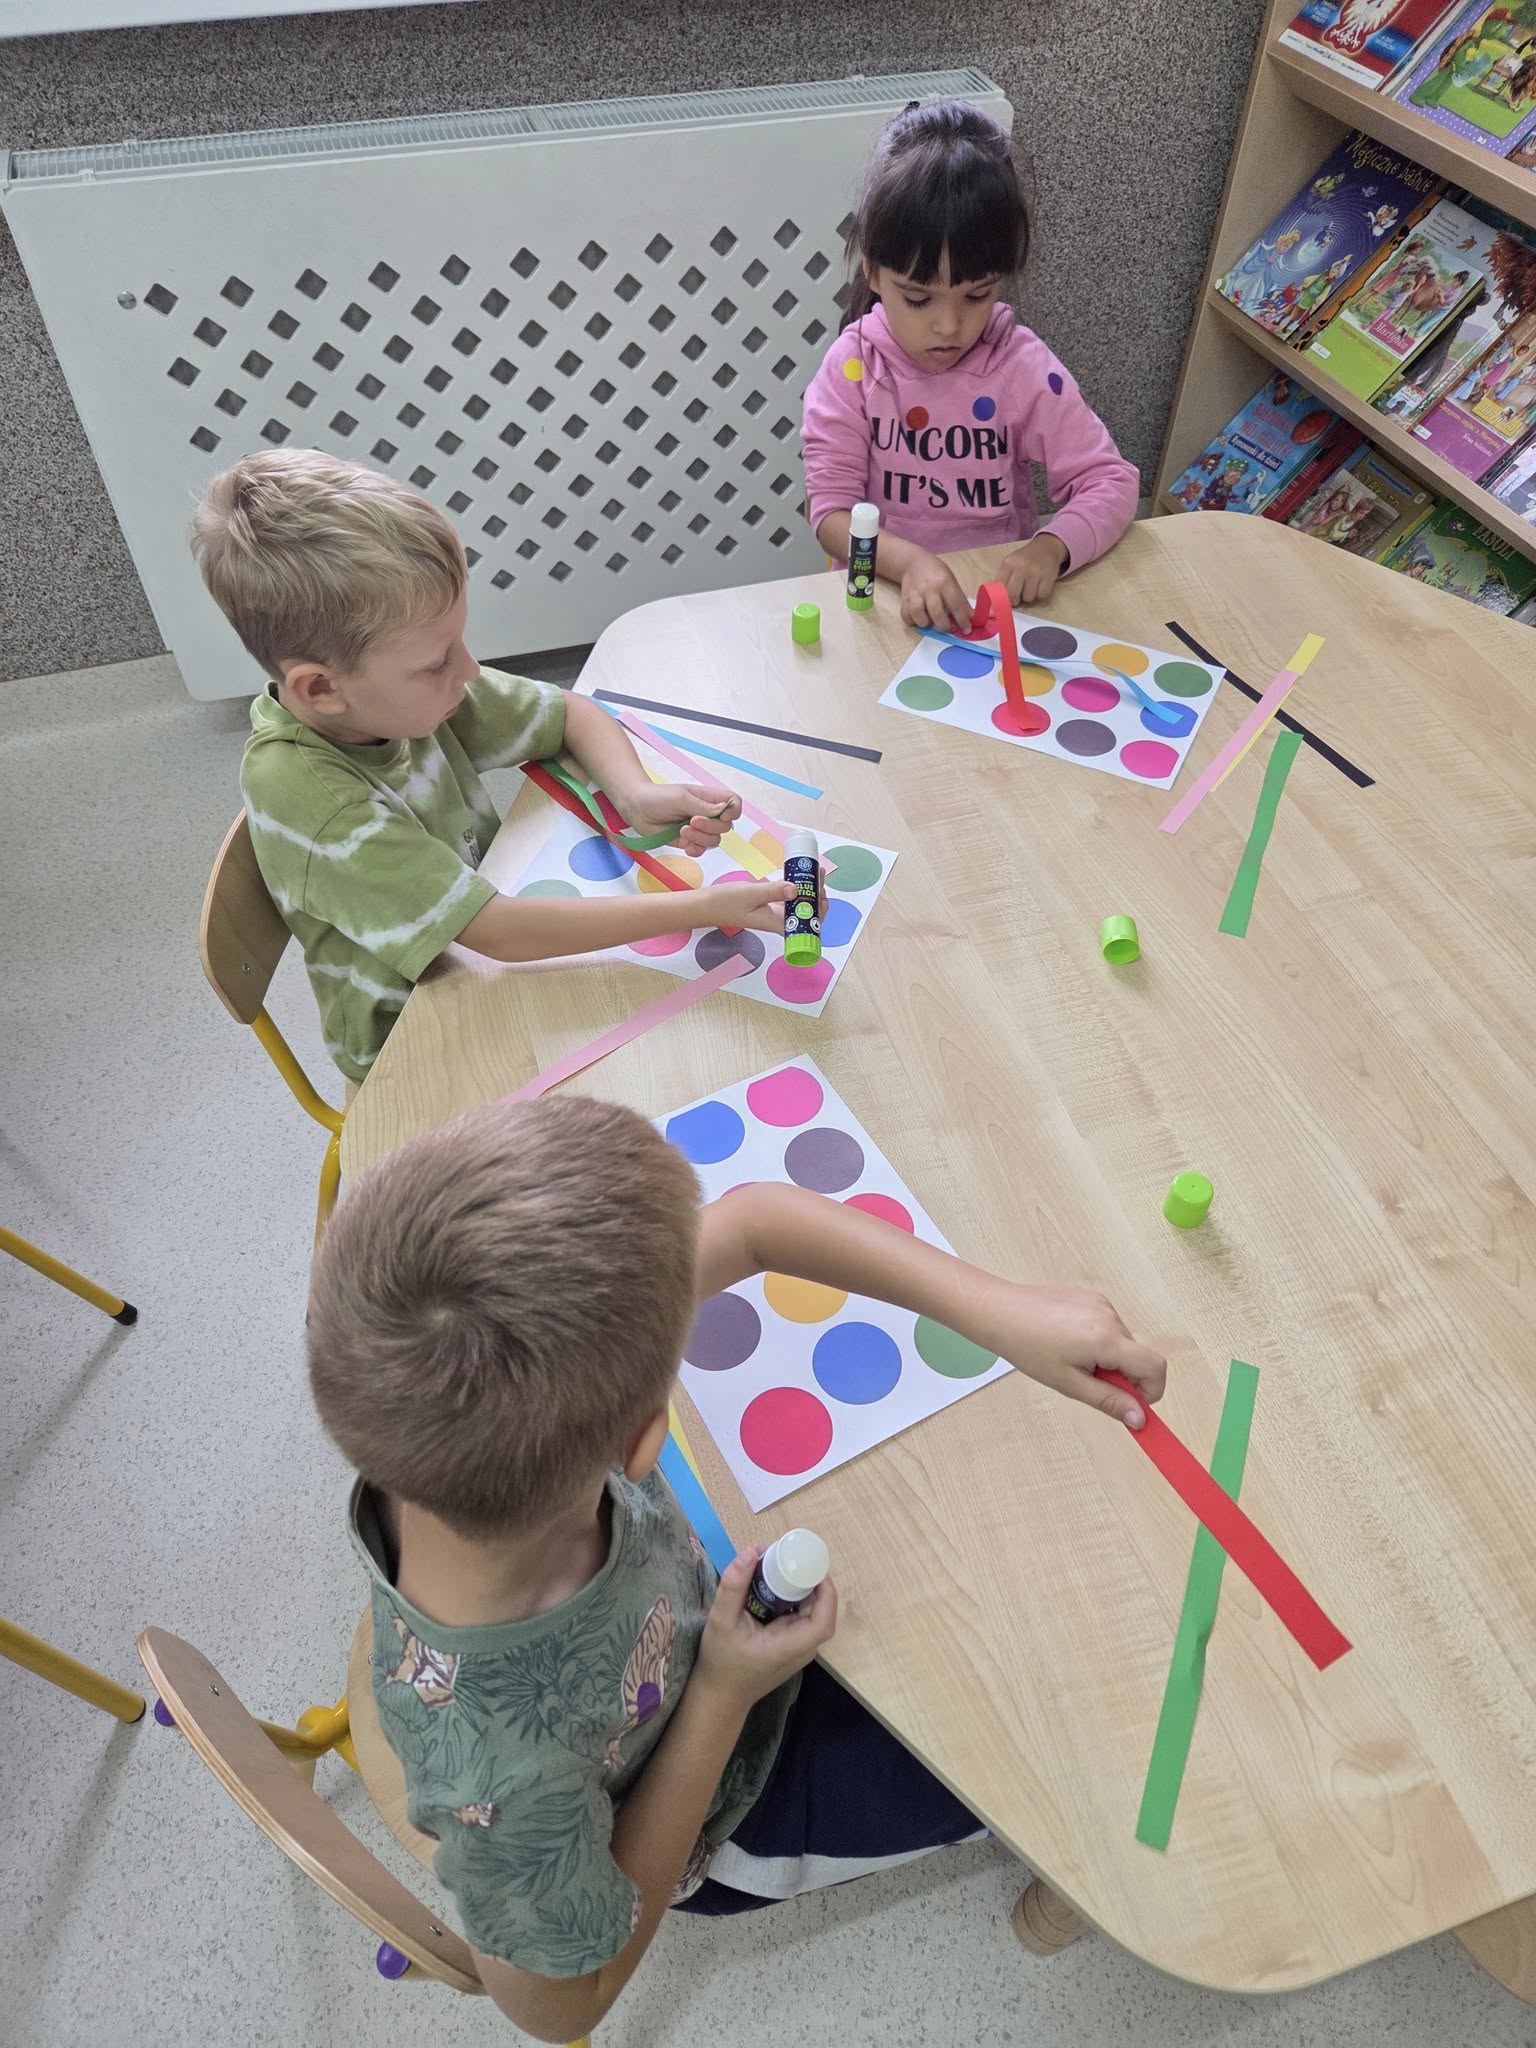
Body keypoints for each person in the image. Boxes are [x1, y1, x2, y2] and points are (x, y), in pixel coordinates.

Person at [309, 1093, 1166, 2042]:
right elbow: (557, 2006)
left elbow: (755, 1223)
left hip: (702, 1629)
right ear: (644, 1443)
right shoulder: (503, 1782)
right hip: (729, 1801)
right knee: (1041, 1767)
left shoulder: (431, 1408)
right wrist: (721, 1693)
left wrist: (1001, 1312)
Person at [192, 450, 792, 1085]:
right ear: (320, 689)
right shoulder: (317, 800)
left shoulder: (398, 701)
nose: (470, 669)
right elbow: (499, 933)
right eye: (436, 660)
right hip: (415, 1048)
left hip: (483, 959)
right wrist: (702, 906)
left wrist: (634, 793)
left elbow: (572, 714)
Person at [800, 100, 1139, 633]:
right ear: (873, 274)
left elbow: (1111, 481)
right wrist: (910, 563)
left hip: (993, 609)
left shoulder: (1019, 366)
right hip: (880, 603)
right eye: (918, 299)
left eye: (976, 295)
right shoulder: (854, 367)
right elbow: (830, 516)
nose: (949, 326)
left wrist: (1052, 547)